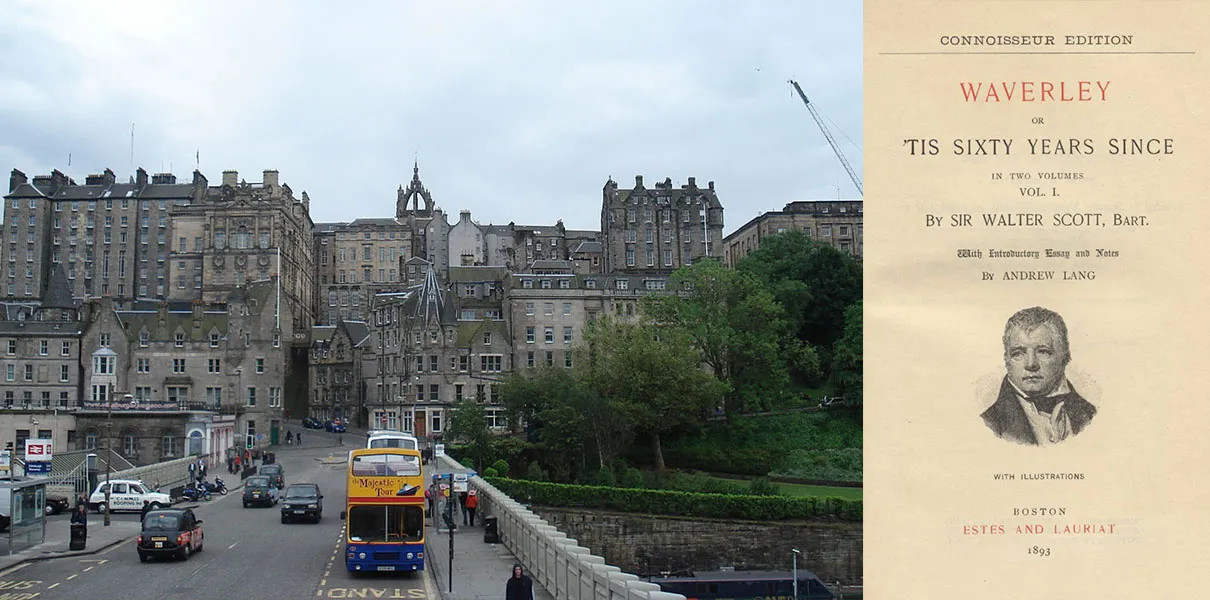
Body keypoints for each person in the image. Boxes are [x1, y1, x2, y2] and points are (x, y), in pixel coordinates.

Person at [980, 306, 1097, 446]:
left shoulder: (1091, 416)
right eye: (1018, 353)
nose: (1031, 364)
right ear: (1007, 360)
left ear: (1065, 357)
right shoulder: (991, 423)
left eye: (1043, 352)